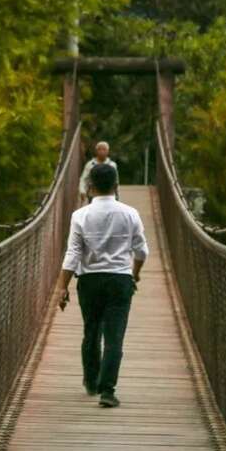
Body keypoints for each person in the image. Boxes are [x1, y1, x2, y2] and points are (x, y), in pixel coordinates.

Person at [52, 163, 149, 408]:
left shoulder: (80, 215)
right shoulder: (130, 213)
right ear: (116, 186)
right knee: (114, 338)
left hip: (89, 281)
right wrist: (134, 274)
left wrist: (62, 286)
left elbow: (73, 253)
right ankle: (108, 391)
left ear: (90, 187)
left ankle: (91, 382)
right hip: (120, 280)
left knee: (91, 331)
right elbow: (141, 251)